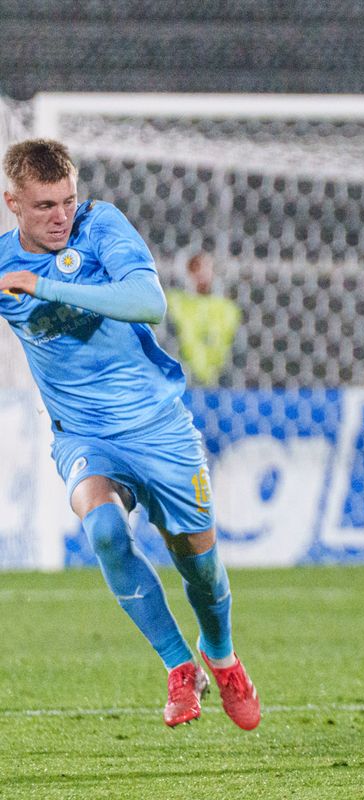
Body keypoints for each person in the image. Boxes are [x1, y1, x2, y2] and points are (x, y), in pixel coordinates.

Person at [0, 139, 259, 729]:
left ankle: (219, 654)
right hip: (83, 434)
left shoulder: (100, 227)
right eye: (43, 206)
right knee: (106, 530)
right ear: (12, 202)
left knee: (200, 566)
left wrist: (44, 287)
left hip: (159, 426)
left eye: (67, 200)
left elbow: (148, 302)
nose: (60, 215)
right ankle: (177, 667)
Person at [165, 252, 242, 387]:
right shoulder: (173, 302)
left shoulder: (227, 309)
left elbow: (236, 349)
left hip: (222, 382)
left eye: (208, 268)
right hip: (180, 380)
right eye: (196, 267)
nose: (203, 274)